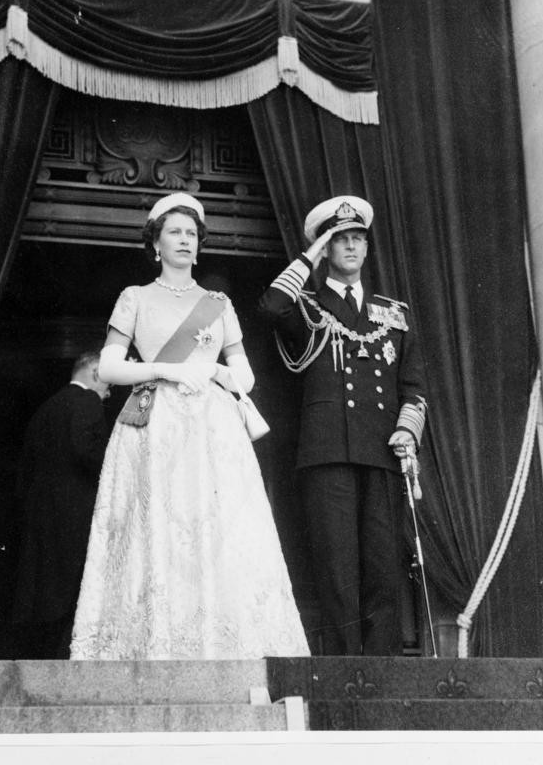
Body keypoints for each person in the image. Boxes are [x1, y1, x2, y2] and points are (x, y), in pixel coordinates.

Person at [69, 192, 309, 660]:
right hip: (155, 425)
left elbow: (245, 375)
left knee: (217, 531)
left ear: (200, 245)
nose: (184, 240)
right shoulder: (134, 298)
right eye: (174, 232)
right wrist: (169, 371)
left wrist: (220, 373)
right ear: (154, 244)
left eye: (191, 234)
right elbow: (112, 368)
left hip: (211, 430)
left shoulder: (217, 303)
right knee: (158, 528)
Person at [259, 195, 426, 656]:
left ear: (367, 248)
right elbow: (272, 306)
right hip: (327, 452)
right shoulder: (308, 307)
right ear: (326, 250)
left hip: (381, 453)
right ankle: (344, 668)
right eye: (340, 240)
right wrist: (307, 256)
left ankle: (384, 667)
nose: (351, 247)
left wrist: (407, 429)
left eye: (357, 239)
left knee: (383, 566)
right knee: (336, 568)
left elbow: (414, 387)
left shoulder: (393, 314)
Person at [13, 350, 112, 658]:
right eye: (109, 383)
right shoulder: (87, 402)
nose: (109, 393)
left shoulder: (45, 408)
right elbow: (88, 452)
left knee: (46, 589)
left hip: (41, 515)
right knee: (75, 588)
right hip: (76, 514)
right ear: (96, 372)